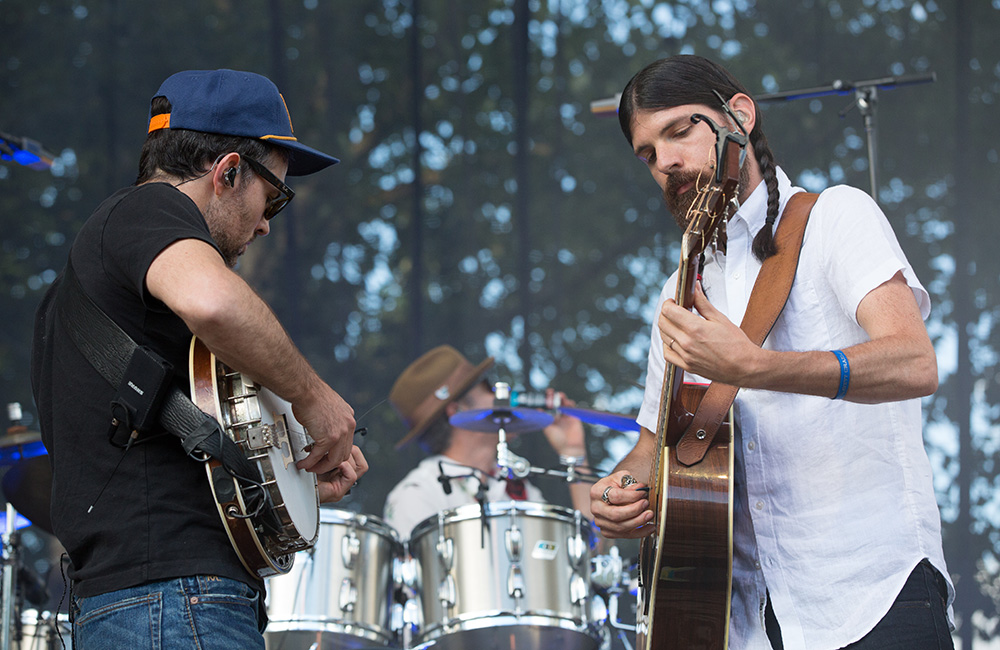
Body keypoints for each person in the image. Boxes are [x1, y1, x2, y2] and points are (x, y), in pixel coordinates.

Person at [591, 55, 954, 650]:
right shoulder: (680, 292)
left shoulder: (836, 215)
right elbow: (655, 448)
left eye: (680, 131)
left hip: (872, 592)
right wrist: (618, 492)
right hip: (746, 622)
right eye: (648, 154)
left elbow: (914, 362)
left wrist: (756, 368)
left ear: (739, 115)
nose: (666, 162)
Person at [30, 69, 368, 650]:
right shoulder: (147, 210)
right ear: (228, 172)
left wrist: (290, 479)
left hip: (144, 607)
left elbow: (163, 452)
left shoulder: (96, 282)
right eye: (273, 197)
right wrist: (314, 397)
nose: (266, 223)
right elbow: (214, 303)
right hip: (174, 606)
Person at [383, 345, 594, 539]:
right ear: (457, 410)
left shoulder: (513, 485)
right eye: (489, 387)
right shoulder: (417, 494)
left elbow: (586, 551)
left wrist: (573, 451)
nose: (503, 394)